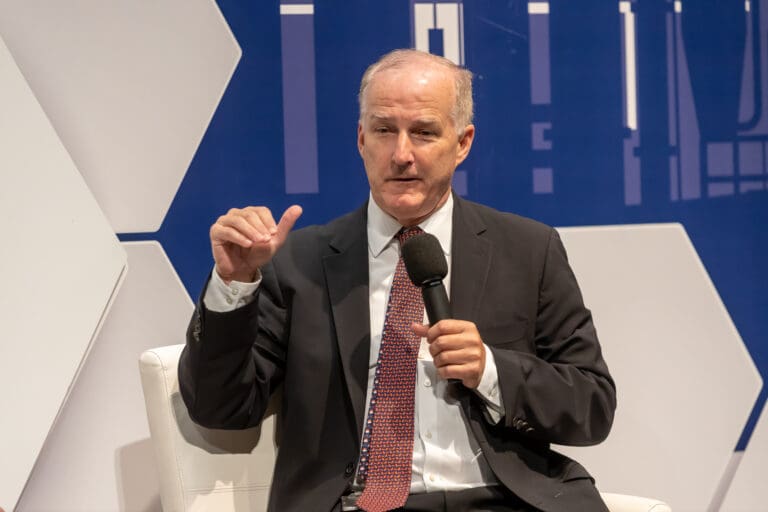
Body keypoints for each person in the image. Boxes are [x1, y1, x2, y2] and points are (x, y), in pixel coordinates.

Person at [179, 49, 616, 512]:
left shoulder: (528, 249)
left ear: (463, 143)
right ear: (361, 139)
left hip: (505, 500)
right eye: (384, 130)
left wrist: (489, 369)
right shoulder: (298, 263)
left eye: (424, 132)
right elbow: (219, 408)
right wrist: (233, 284)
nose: (401, 155)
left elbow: (592, 406)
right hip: (362, 503)